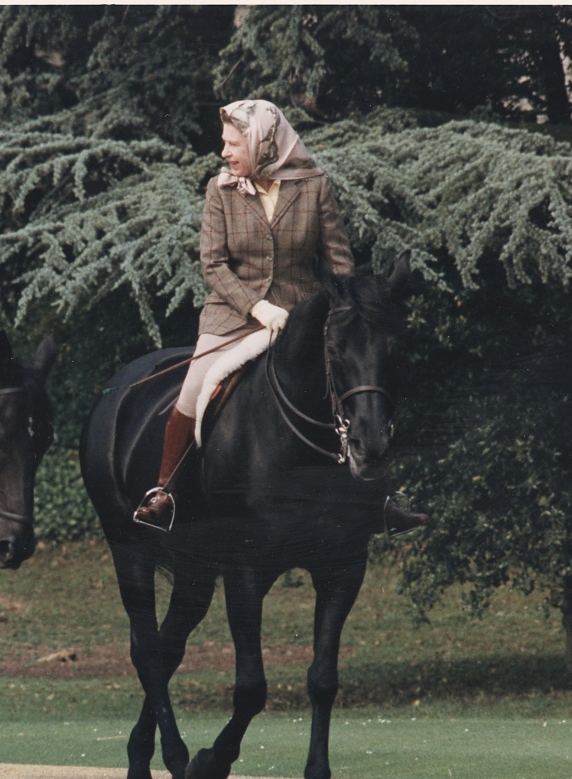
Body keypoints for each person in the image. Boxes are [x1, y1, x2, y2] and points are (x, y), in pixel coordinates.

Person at [132, 99, 428, 537]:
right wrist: (256, 306)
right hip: (233, 316)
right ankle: (166, 492)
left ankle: (379, 499)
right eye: (225, 143)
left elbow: (339, 261)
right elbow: (213, 265)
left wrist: (348, 312)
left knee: (355, 385)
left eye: (233, 143)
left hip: (303, 316)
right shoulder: (221, 190)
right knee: (195, 388)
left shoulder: (315, 186)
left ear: (262, 142)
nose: (225, 152)